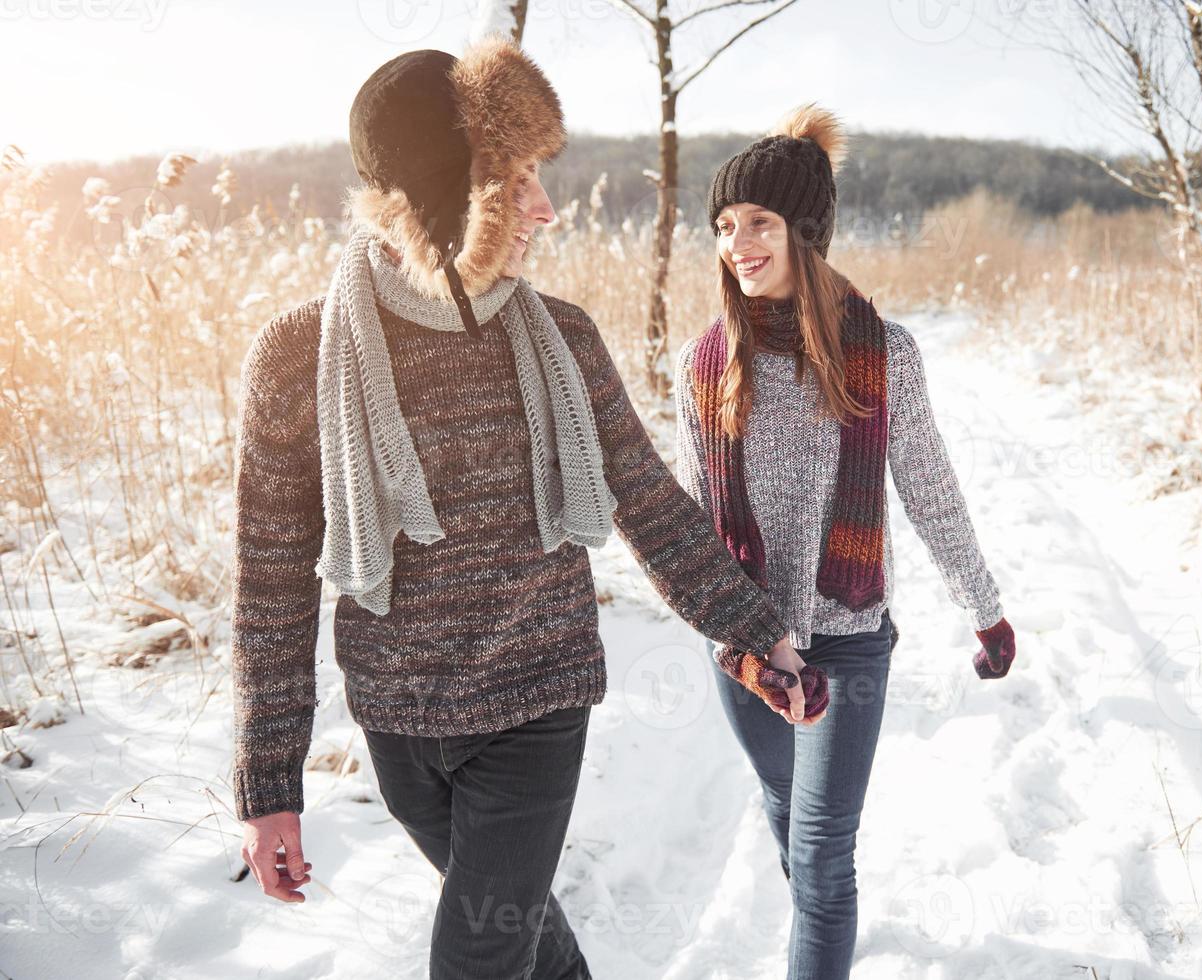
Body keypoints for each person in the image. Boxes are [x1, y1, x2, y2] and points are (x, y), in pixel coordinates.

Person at [229, 38, 826, 980]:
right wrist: (269, 787)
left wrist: (757, 632)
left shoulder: (563, 339)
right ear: (437, 201)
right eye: (514, 183)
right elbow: (268, 585)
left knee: (475, 958)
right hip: (398, 721)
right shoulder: (301, 355)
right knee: (522, 936)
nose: (545, 208)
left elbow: (649, 504)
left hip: (535, 705)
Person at [673, 104, 1019, 980]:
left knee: (825, 857)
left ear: (805, 232)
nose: (737, 243)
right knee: (789, 815)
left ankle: (817, 939)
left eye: (759, 222)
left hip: (848, 641)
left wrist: (986, 610)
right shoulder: (704, 365)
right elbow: (684, 529)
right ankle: (817, 928)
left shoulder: (884, 354)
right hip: (749, 650)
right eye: (724, 226)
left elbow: (931, 490)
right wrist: (744, 648)